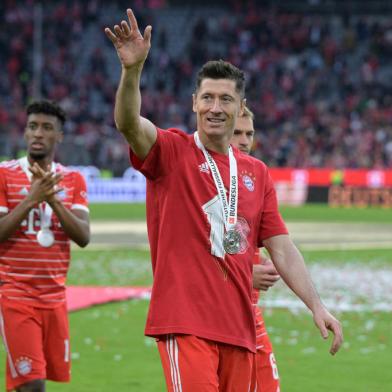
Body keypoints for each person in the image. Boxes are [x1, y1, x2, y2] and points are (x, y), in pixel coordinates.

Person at [105, 9, 343, 391]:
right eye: (208, 98)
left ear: (239, 106)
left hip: (240, 328)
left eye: (226, 100)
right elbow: (129, 123)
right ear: (194, 103)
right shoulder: (171, 150)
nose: (216, 107)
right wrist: (131, 71)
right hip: (186, 324)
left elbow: (282, 248)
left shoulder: (256, 172)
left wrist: (316, 305)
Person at [0, 100, 90, 392]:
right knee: (33, 384)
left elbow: (83, 236)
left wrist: (52, 199)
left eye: (47, 128)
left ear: (59, 136)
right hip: (14, 294)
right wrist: (31, 199)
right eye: (33, 126)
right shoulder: (4, 174)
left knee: (26, 383)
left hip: (54, 298)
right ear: (25, 133)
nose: (38, 133)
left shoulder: (73, 179)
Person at [232, 106, 281, 392]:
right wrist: (244, 273)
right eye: (237, 133)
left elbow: (278, 243)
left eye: (249, 133)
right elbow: (193, 251)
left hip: (251, 315)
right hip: (218, 319)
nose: (245, 140)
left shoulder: (257, 175)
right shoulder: (203, 179)